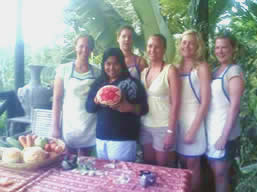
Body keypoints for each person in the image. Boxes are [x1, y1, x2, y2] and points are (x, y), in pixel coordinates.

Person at [86, 48, 148, 162]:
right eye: (108, 64)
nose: (111, 68)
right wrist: (96, 101)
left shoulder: (132, 83)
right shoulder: (98, 83)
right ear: (103, 64)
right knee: (104, 176)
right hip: (101, 138)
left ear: (122, 64)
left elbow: (144, 109)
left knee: (122, 177)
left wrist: (130, 107)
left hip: (123, 140)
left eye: (116, 64)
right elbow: (89, 108)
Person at [206, 34, 244, 192]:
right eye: (217, 47)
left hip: (225, 133)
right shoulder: (215, 71)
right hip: (211, 130)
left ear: (233, 49)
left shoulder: (234, 71)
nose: (220, 51)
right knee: (215, 174)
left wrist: (224, 136)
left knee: (221, 175)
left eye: (224, 47)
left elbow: (234, 107)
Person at [52, 34, 100, 156]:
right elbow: (57, 100)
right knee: (68, 163)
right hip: (69, 125)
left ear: (92, 50)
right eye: (81, 46)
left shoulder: (98, 72)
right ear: (75, 47)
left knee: (84, 164)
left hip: (89, 125)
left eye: (88, 47)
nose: (84, 50)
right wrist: (55, 127)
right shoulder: (63, 70)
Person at [175, 30, 211, 192]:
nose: (186, 46)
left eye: (190, 43)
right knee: (182, 163)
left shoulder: (202, 67)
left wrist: (193, 130)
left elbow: (205, 102)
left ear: (197, 46)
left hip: (194, 122)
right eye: (184, 42)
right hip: (178, 123)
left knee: (193, 165)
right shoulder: (175, 67)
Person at [140, 34, 180, 166]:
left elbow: (176, 103)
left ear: (164, 50)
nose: (153, 50)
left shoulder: (170, 70)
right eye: (150, 46)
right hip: (145, 125)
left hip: (163, 127)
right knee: (149, 164)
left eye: (157, 47)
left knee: (162, 169)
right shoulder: (144, 72)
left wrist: (171, 131)